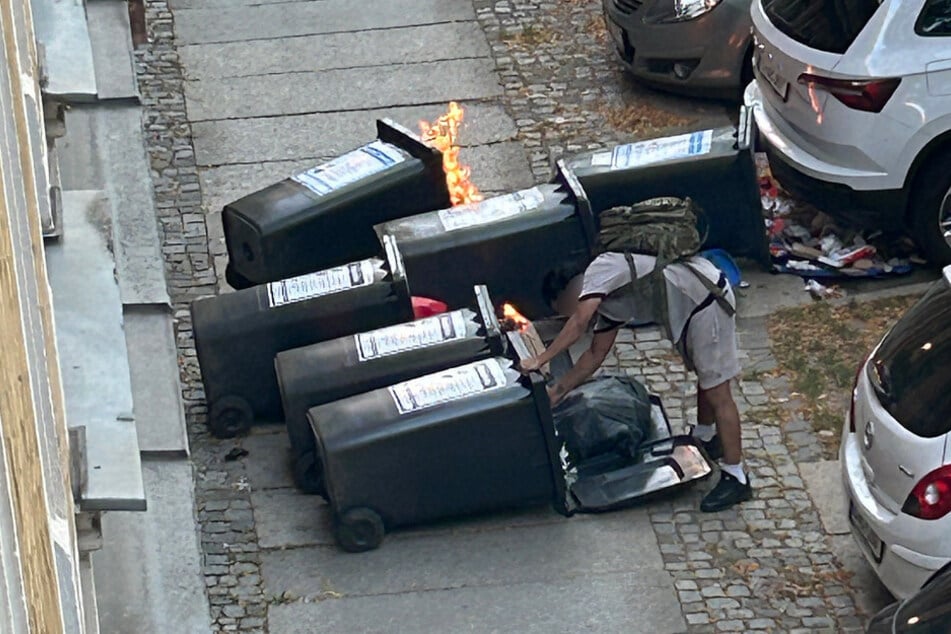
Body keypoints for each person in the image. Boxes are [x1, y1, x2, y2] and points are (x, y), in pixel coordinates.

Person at [521, 252, 751, 512]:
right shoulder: (610, 301)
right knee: (706, 376)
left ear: (567, 295)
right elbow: (595, 354)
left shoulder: (600, 271)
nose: (567, 315)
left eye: (563, 309)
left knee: (718, 392)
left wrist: (540, 359)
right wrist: (556, 392)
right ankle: (707, 437)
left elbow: (579, 321)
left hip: (706, 300)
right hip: (694, 304)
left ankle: (736, 477)